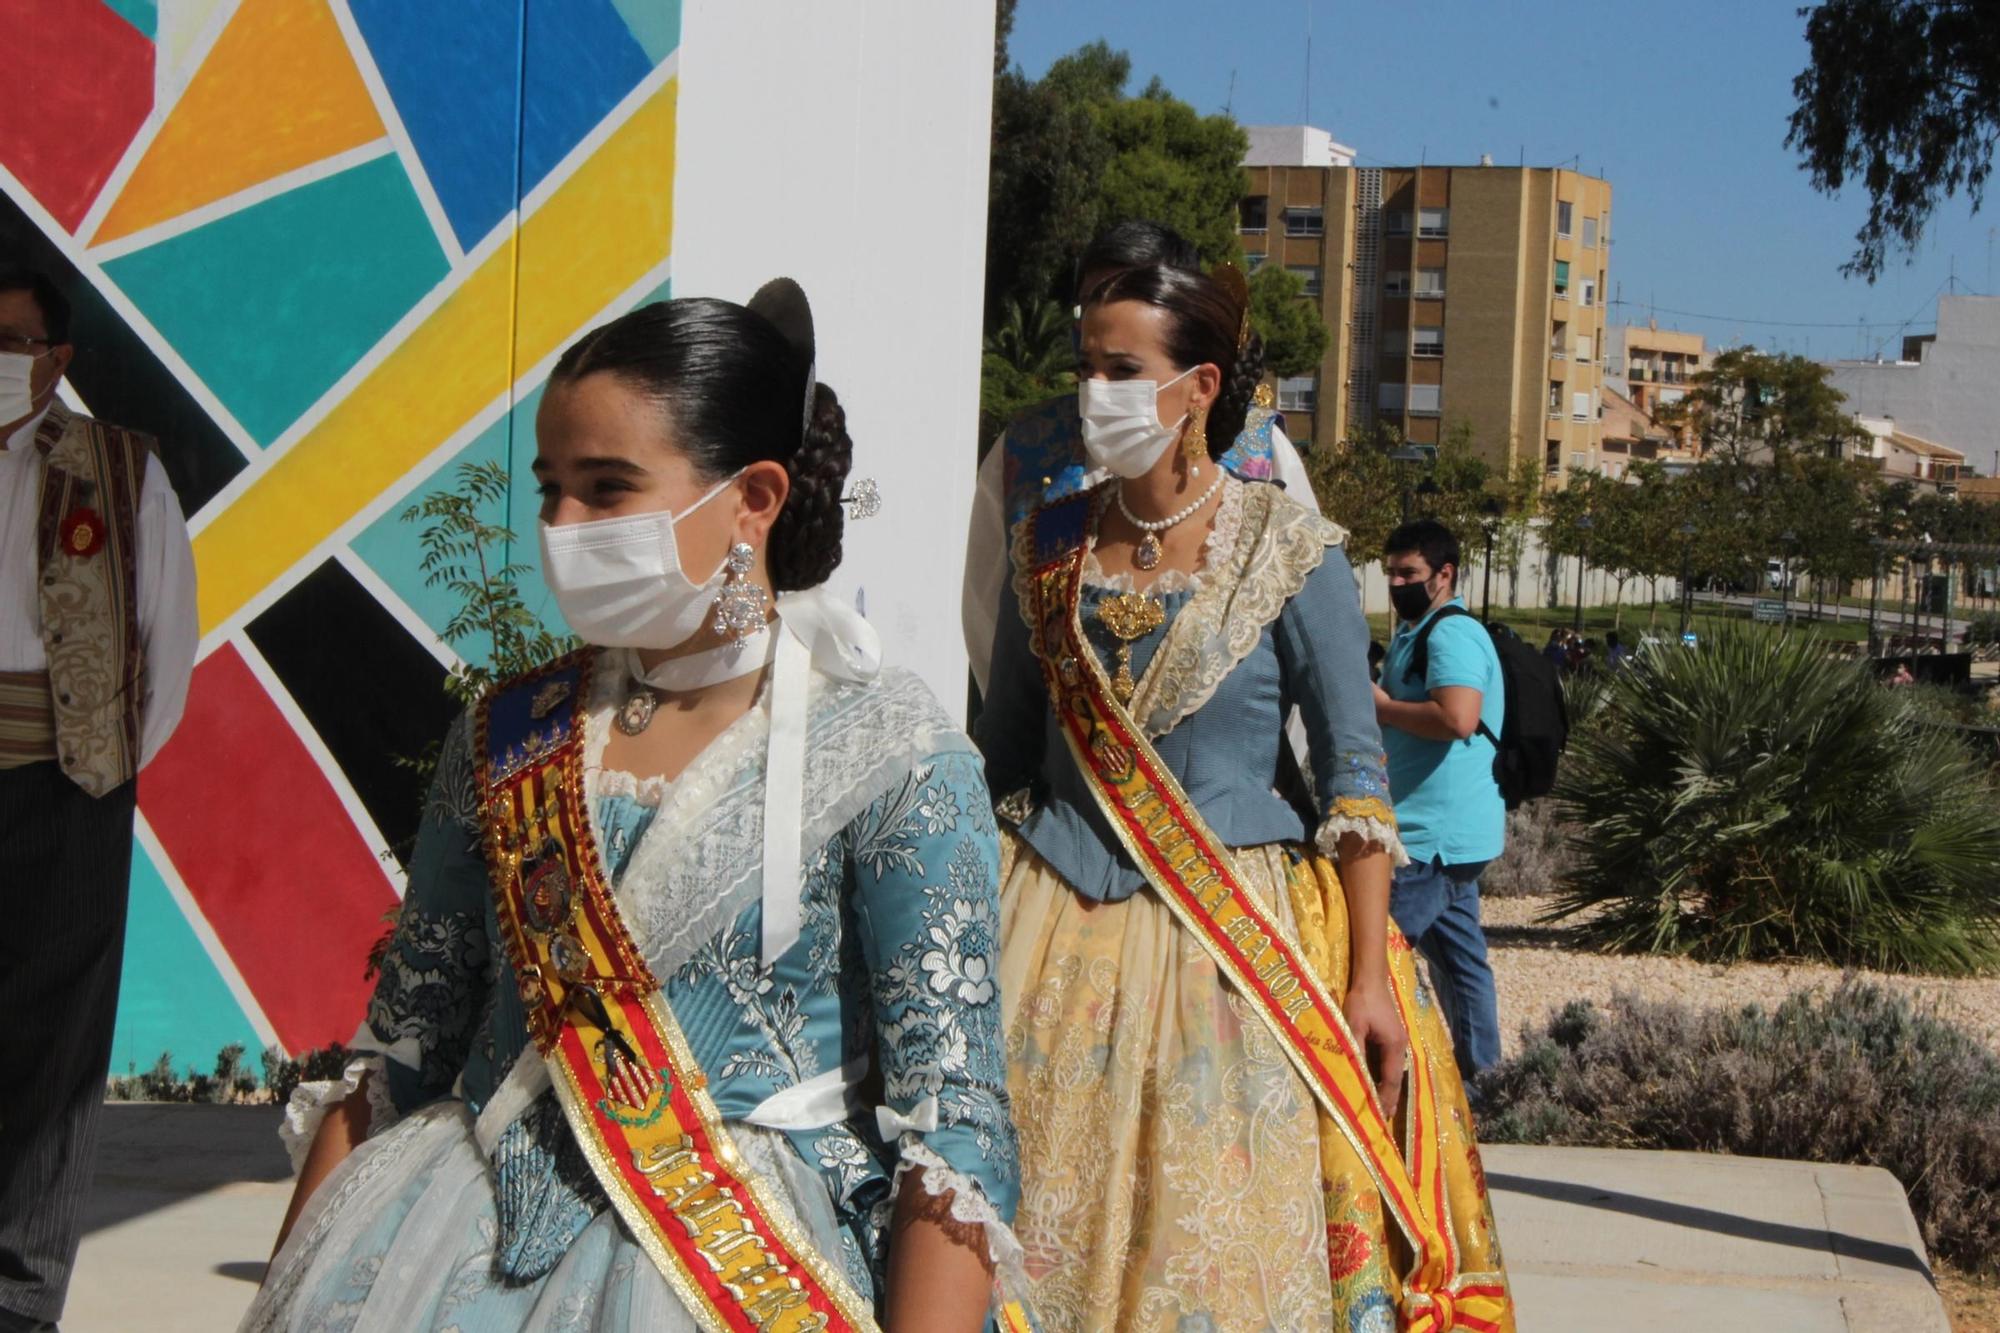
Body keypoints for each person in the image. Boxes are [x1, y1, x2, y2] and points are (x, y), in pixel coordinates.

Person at [247, 286, 1025, 1332]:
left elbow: (951, 1122)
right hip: (440, 1250)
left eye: (607, 490)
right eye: (551, 489)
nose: (564, 527)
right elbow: (400, 1046)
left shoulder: (890, 750)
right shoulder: (509, 732)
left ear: (752, 497)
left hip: (738, 1265)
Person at [979, 266, 1510, 1330]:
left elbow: (1354, 780)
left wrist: (1366, 978)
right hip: (1045, 931)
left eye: (1121, 368)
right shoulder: (1046, 549)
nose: (1093, 390)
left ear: (1197, 385)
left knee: (1209, 1242)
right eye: (1084, 365)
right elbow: (1001, 760)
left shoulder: (1289, 551)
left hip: (1234, 944)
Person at [0, 265, 197, 1333]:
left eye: (12, 341)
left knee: (55, 1045)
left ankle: (20, 1298)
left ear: (58, 358)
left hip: (68, 785)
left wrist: (102, 763)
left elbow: (168, 644)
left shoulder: (121, 473)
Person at [961, 220, 1318, 700]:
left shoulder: (1261, 452)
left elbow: (1307, 638)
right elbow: (987, 614)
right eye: (1092, 304)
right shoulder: (1024, 448)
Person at [1373, 520, 1507, 1080]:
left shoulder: (1451, 634)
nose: (1397, 583)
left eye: (1409, 573)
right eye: (1390, 573)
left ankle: (1379, 1080)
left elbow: (1458, 718)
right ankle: (1486, 1082)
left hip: (1432, 838)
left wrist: (1378, 706)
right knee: (1460, 962)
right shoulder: (1416, 630)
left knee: (1372, 957)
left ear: (1444, 575)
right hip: (1444, 834)